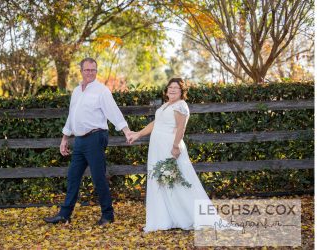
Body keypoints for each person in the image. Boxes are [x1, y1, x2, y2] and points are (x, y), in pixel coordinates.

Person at [127, 78, 239, 232]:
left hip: (170, 147)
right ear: (166, 90)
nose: (172, 90)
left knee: (180, 181)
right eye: (170, 87)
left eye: (176, 88)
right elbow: (155, 124)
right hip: (157, 148)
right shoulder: (166, 105)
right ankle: (163, 218)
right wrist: (138, 134)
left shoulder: (181, 106)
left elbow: (181, 128)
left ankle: (191, 216)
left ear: (181, 92)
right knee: (161, 181)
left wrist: (175, 147)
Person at [44, 58, 131, 226]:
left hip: (95, 137)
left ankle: (108, 215)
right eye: (87, 70)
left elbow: (113, 111)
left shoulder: (101, 91)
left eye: (93, 70)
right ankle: (65, 215)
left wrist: (126, 131)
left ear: (96, 71)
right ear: (81, 71)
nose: (90, 73)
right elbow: (72, 116)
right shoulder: (76, 91)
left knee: (98, 177)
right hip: (79, 140)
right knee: (73, 176)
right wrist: (64, 138)